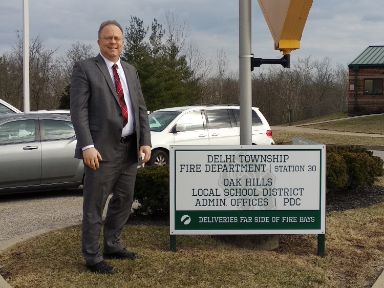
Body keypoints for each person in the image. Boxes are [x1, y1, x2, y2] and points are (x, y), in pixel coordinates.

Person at [70, 20, 151, 274]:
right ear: (99, 41)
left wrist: (146, 141)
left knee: (124, 201)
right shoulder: (85, 69)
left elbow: (140, 108)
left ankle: (112, 244)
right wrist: (87, 146)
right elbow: (78, 111)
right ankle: (92, 257)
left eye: (117, 38)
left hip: (129, 150)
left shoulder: (130, 70)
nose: (113, 42)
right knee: (95, 206)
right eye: (108, 38)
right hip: (100, 151)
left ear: (123, 41)